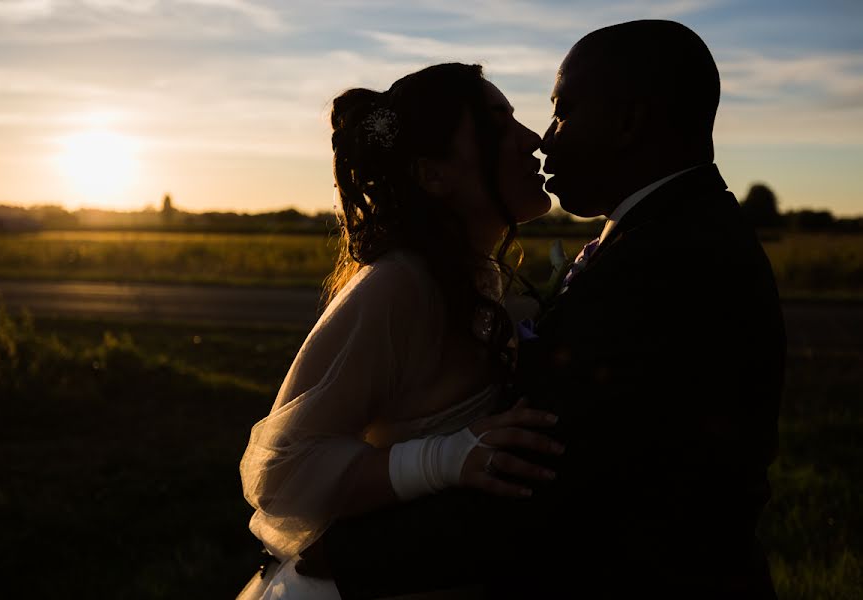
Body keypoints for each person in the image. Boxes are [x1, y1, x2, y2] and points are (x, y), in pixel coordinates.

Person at [308, 20, 787, 599]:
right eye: (506, 124)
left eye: (561, 111)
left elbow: (562, 485)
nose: (543, 139)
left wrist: (345, 555)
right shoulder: (660, 237)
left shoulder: (673, 260)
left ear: (628, 121)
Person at [236, 63, 560, 600]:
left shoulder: (466, 273)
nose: (533, 141)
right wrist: (444, 458)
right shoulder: (400, 284)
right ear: (433, 174)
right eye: (498, 124)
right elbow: (283, 472)